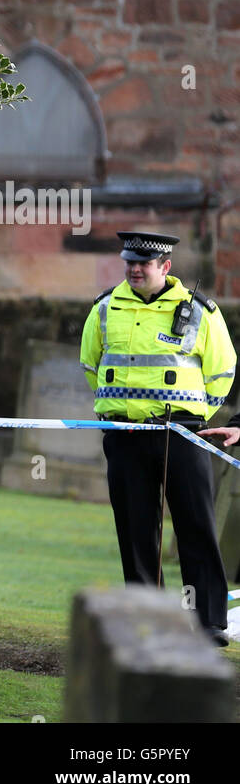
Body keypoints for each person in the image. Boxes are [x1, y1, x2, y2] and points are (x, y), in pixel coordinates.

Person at [79, 231, 238, 647]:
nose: (134, 269)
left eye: (143, 264)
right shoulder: (104, 308)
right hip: (125, 433)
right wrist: (114, 407)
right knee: (135, 529)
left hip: (182, 431)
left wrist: (197, 414)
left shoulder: (201, 311)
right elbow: (91, 363)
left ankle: (209, 621)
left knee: (196, 524)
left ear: (164, 267)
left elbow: (222, 370)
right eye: (129, 262)